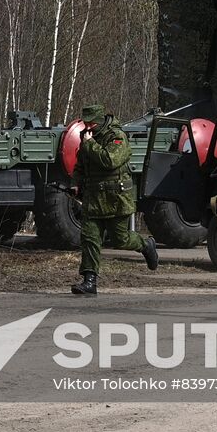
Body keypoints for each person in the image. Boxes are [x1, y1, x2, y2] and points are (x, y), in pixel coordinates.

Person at [69, 104, 159, 296]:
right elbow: (80, 166)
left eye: (91, 123)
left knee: (121, 240)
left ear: (100, 121)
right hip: (93, 199)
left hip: (116, 199)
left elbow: (110, 161)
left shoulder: (117, 137)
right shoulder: (87, 138)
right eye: (86, 123)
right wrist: (76, 183)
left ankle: (146, 245)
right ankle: (89, 281)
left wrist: (90, 144)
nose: (88, 126)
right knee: (90, 239)